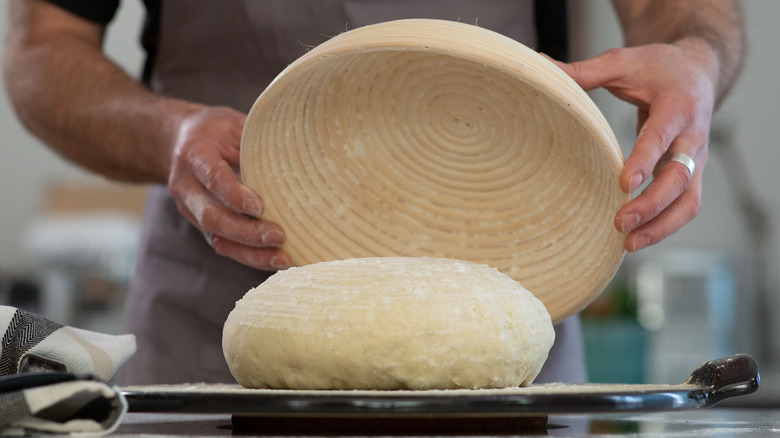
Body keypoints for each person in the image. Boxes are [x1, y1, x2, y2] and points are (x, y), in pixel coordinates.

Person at [3, 0, 744, 384]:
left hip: (510, 348)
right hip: (212, 328)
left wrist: (695, 63)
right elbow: (42, 48)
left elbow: (685, 15)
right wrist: (167, 133)